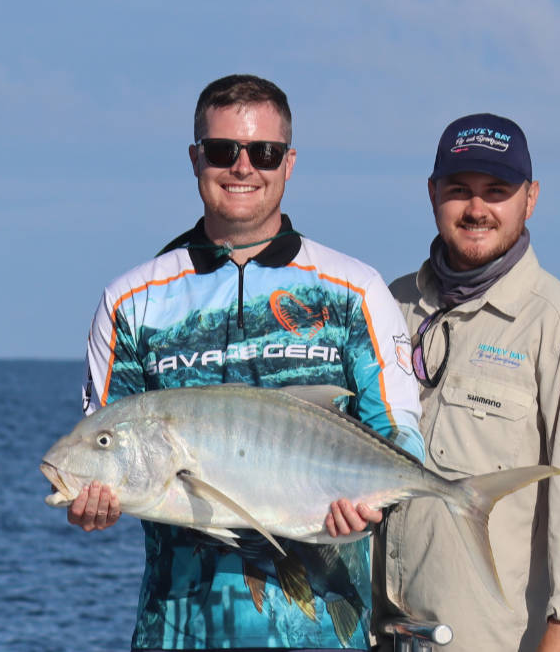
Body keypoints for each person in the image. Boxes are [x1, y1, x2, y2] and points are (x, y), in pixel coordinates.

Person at [67, 74, 423, 651]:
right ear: (194, 159)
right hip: (177, 632)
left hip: (328, 635)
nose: (242, 167)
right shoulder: (132, 301)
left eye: (263, 152)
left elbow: (400, 436)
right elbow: (109, 443)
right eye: (221, 150)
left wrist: (369, 509)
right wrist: (93, 503)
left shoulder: (354, 290)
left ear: (289, 163)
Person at [384, 114, 560, 651]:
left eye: (497, 191)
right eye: (459, 190)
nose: (476, 209)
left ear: (531, 198)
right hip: (375, 633)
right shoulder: (385, 304)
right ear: (432, 194)